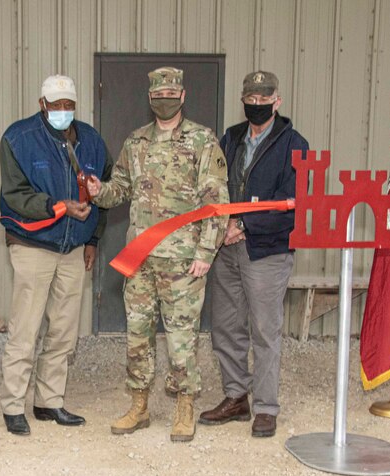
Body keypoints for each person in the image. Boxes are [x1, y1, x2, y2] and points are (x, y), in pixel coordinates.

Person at [87, 67, 228, 442]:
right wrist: (97, 190)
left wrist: (205, 252)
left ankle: (185, 405)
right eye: (157, 96)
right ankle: (139, 405)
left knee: (181, 337)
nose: (164, 101)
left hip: (183, 261)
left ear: (182, 97)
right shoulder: (135, 142)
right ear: (150, 100)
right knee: (137, 335)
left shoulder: (202, 140)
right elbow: (119, 189)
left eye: (170, 95)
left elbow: (216, 201)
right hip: (140, 259)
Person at [0, 75, 113, 436]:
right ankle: (13, 405)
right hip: (34, 246)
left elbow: (105, 193)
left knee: (64, 330)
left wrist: (92, 239)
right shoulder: (18, 139)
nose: (63, 111)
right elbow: (14, 196)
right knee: (26, 328)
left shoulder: (91, 141)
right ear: (41, 104)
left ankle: (49, 401)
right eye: (56, 104)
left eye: (69, 105)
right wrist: (55, 205)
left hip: (73, 248)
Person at [198, 71, 308, 438]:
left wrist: (242, 225)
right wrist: (222, 228)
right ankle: (235, 396)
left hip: (267, 249)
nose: (257, 105)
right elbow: (214, 188)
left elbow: (293, 203)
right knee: (225, 327)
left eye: (264, 99)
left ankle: (265, 407)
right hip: (226, 249)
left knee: (264, 329)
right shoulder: (229, 139)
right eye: (251, 99)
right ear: (243, 100)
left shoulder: (295, 144)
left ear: (278, 101)